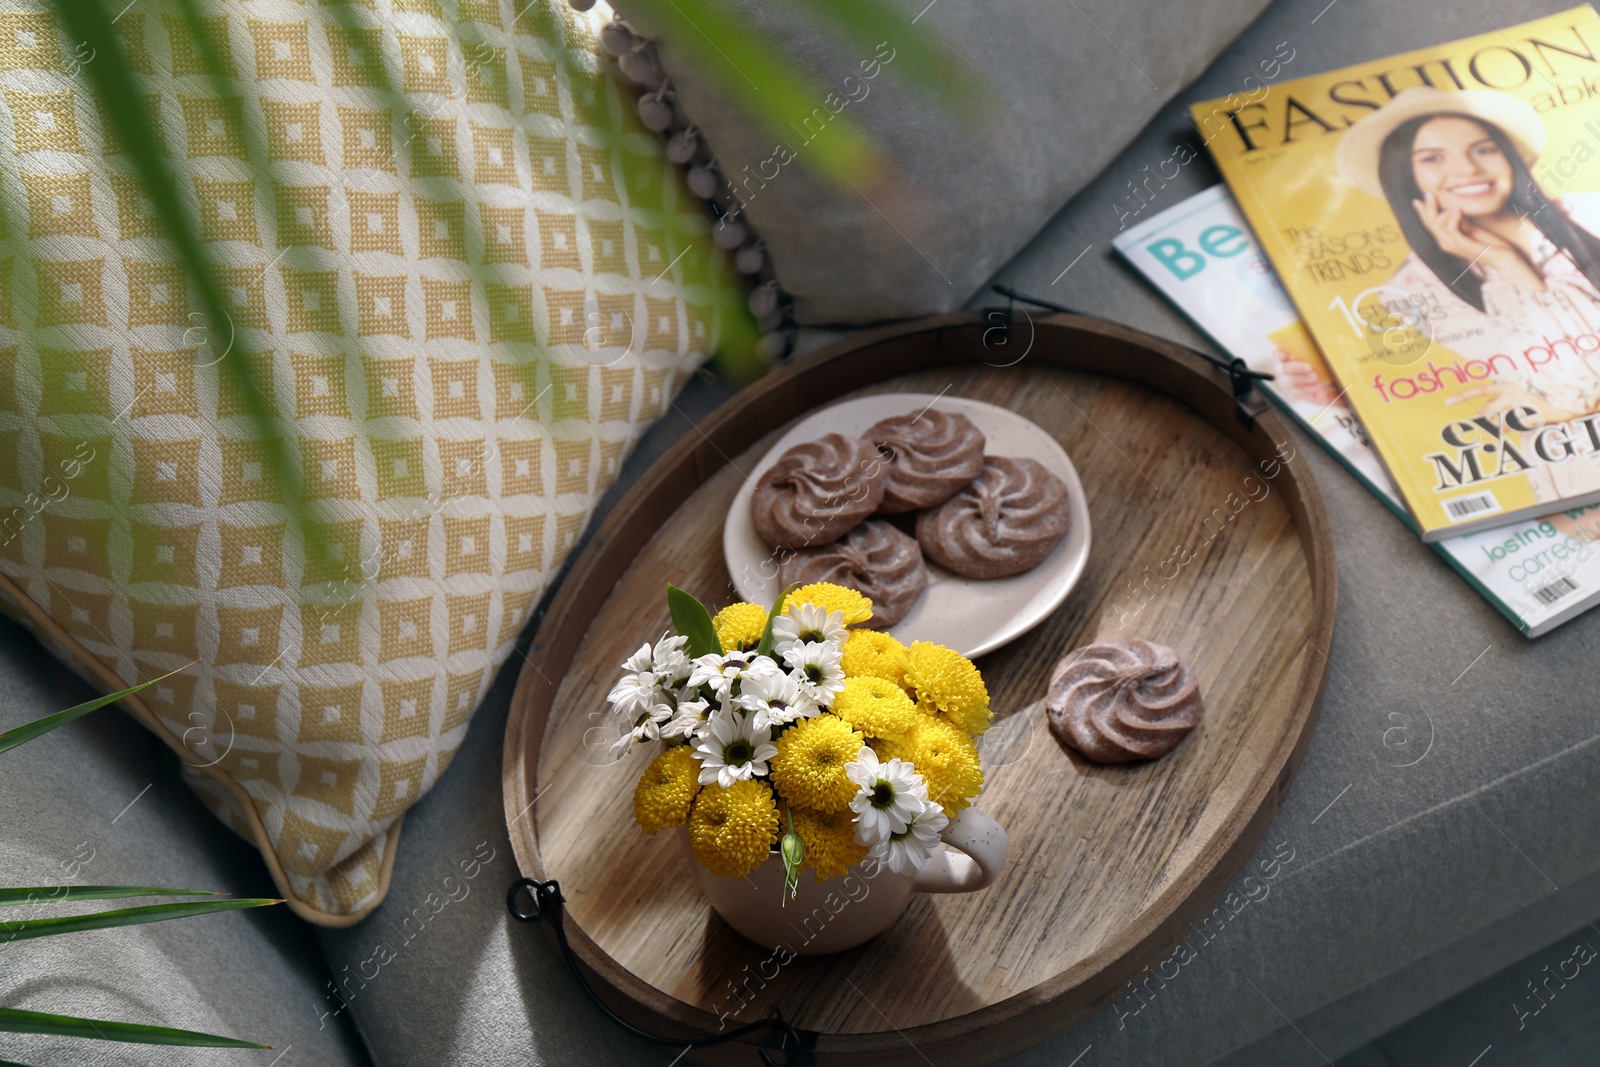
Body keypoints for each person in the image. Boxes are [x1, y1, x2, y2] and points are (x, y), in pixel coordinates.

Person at [1337, 86, 1600, 501]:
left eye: (1484, 149)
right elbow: (1574, 382)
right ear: (1405, 176)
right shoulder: (1414, 291)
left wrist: (1568, 413)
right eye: (1433, 158)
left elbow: (1568, 399)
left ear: (1508, 156)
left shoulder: (1591, 211)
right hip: (1580, 469)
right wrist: (1505, 265)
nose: (1467, 170)